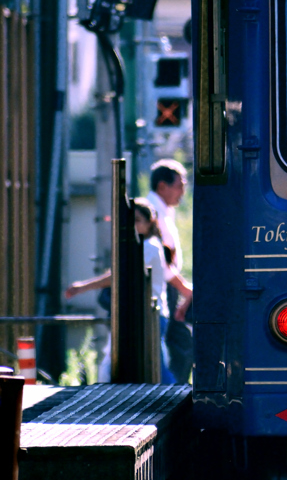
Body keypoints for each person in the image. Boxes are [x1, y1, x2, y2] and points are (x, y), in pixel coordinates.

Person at [65, 199, 192, 382]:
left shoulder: (149, 247)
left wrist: (82, 287)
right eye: (130, 220)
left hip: (150, 315)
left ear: (150, 223)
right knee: (149, 362)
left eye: (138, 220)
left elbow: (118, 275)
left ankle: (173, 396)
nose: (133, 225)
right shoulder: (146, 246)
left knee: (155, 363)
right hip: (145, 314)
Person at [145, 159, 194, 384]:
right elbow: (161, 261)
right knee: (179, 341)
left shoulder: (163, 210)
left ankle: (175, 387)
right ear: (162, 186)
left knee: (178, 341)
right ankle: (175, 390)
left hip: (166, 285)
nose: (183, 191)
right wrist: (184, 288)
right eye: (179, 185)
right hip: (161, 286)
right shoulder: (153, 211)